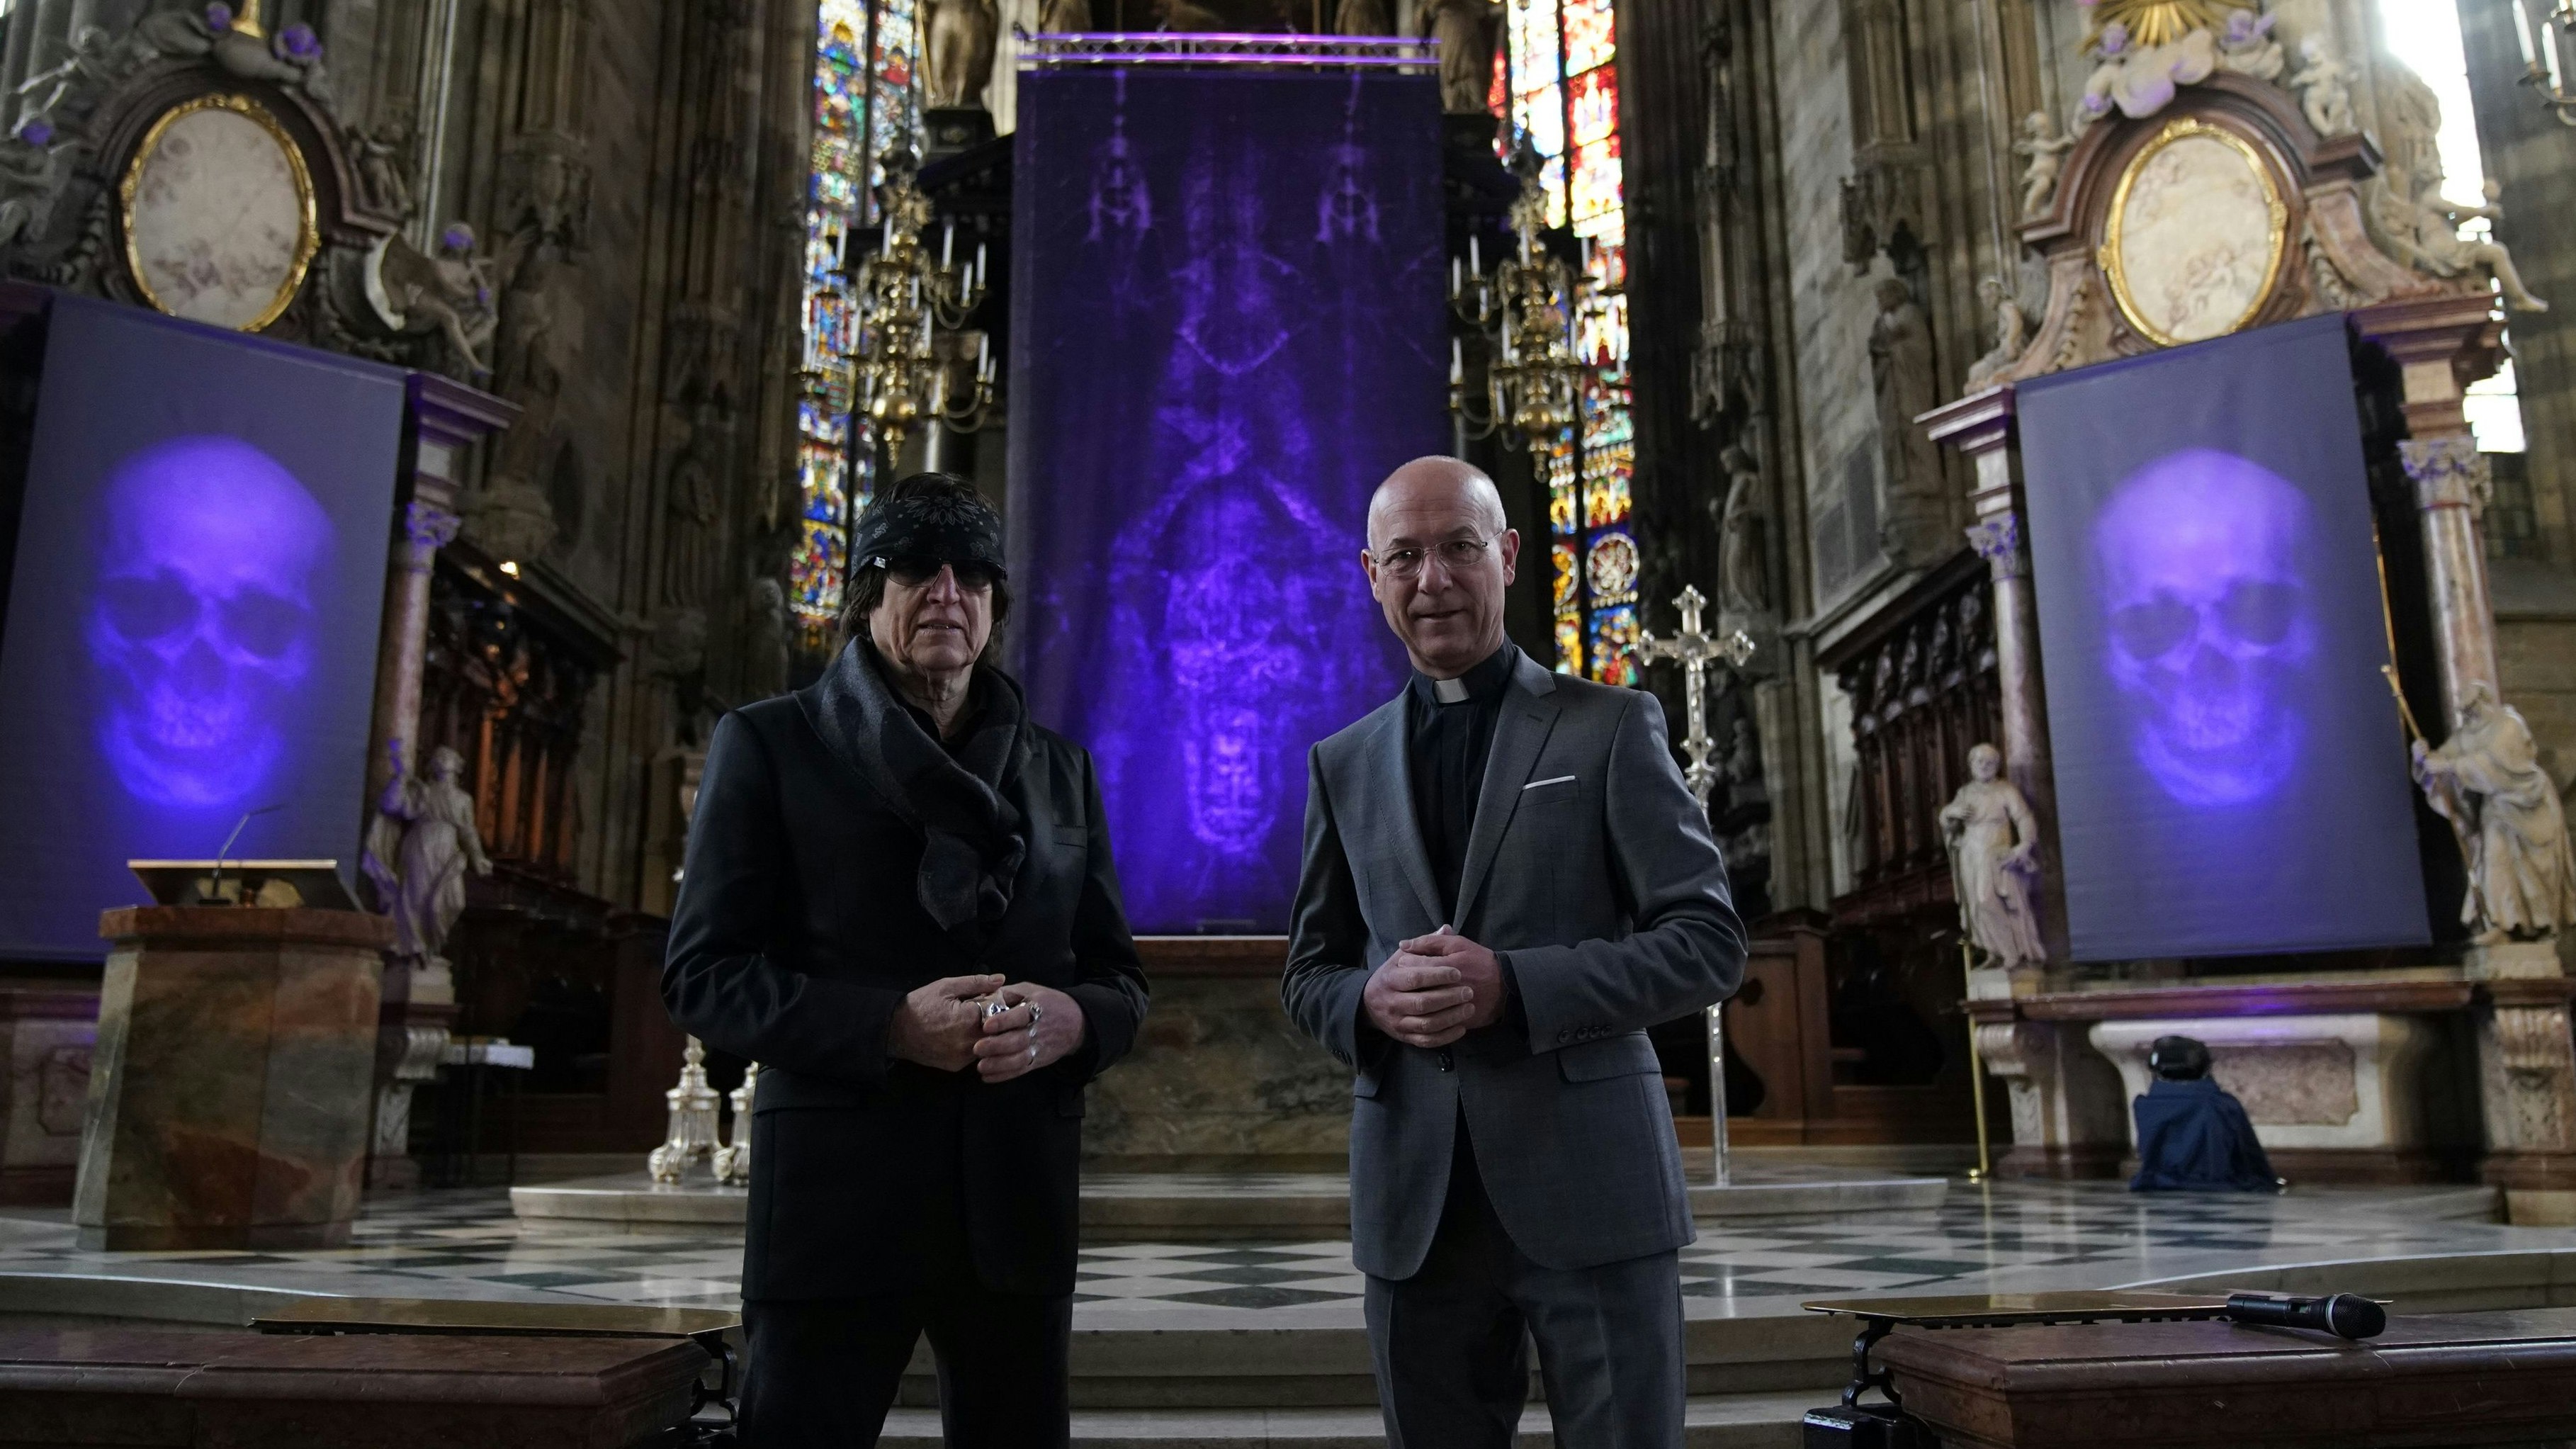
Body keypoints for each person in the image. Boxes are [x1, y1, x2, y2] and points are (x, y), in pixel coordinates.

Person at [663, 471, 1150, 1448]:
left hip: (1012, 1205)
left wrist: (1077, 1021)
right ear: (866, 592)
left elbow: (1118, 976)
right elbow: (701, 972)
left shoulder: (1062, 770)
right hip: (838, 1206)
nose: (947, 590)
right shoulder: (770, 744)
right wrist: (888, 1025)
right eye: (915, 567)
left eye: (973, 572)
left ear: (997, 604)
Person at [1282, 456, 1746, 1448]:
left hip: (1593, 1190)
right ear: (1371, 574)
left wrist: (1516, 988)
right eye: (1404, 556)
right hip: (1417, 1208)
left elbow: (1707, 941)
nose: (1433, 579)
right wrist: (1370, 1001)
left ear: (1509, 555)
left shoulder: (1612, 726)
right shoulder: (1343, 762)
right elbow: (1309, 972)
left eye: (1458, 548)